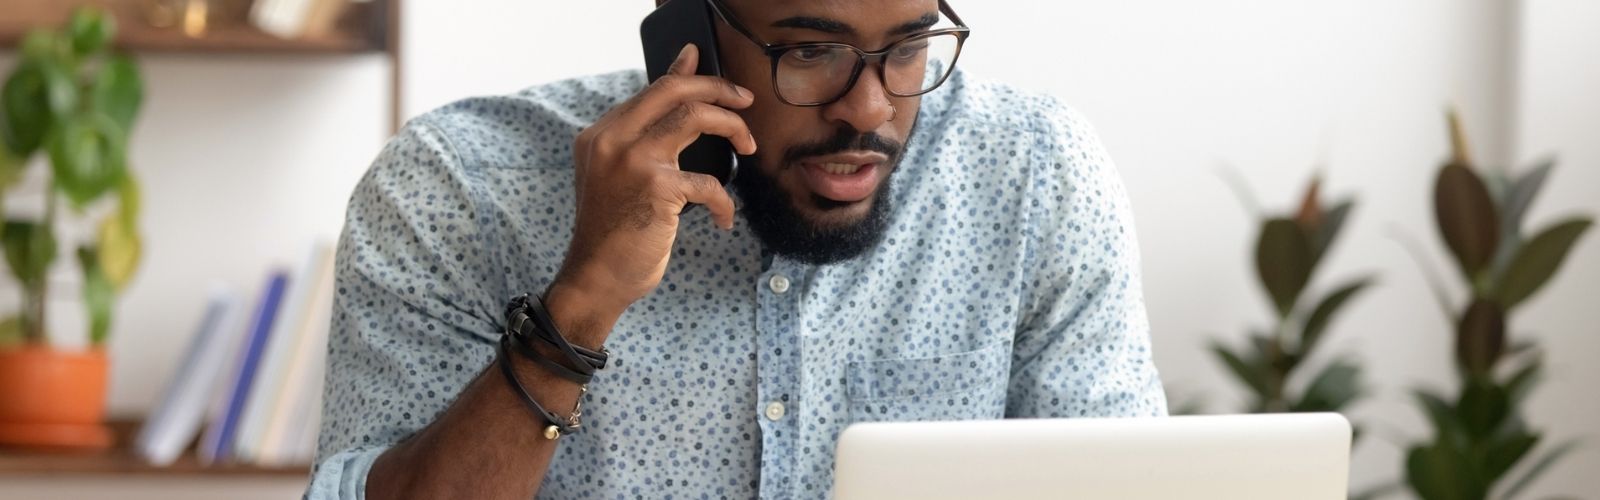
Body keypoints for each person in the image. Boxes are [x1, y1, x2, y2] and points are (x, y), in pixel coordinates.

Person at [306, 0, 1166, 498]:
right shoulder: (458, 185)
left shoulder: (1033, 173)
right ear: (690, 34)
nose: (869, 110)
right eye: (811, 52)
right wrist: (582, 303)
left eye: (907, 47)